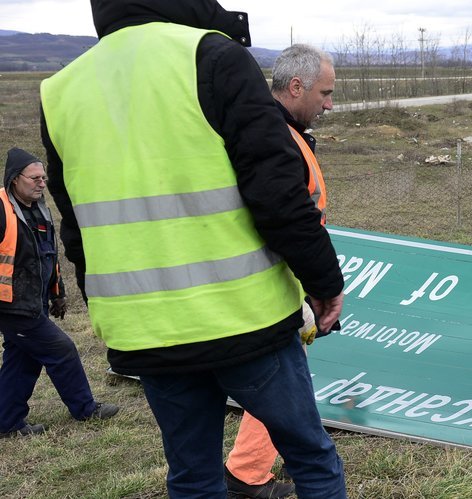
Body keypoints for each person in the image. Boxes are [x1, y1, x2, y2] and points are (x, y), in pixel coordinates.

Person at [39, 1, 346, 498]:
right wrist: (324, 282)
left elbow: (74, 226)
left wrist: (104, 304)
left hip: (148, 330)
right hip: (244, 319)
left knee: (192, 475)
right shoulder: (213, 55)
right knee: (312, 459)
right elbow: (277, 192)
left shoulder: (59, 90)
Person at [224, 43, 335, 499]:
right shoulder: (274, 137)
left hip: (283, 284)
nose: (329, 104)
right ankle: (246, 474)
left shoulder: (271, 130)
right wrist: (319, 287)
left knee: (288, 378)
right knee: (281, 386)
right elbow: (285, 217)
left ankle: (249, 468)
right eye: (325, 93)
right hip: (276, 288)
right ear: (295, 87)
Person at [0, 147, 119, 439]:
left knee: (23, 358)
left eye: (44, 177)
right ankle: (85, 409)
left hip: (33, 301)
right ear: (15, 179)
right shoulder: (1, 210)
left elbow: (47, 257)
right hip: (12, 306)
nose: (42, 183)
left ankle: (7, 422)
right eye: (35, 178)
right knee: (60, 349)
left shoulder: (38, 210)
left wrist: (57, 293)